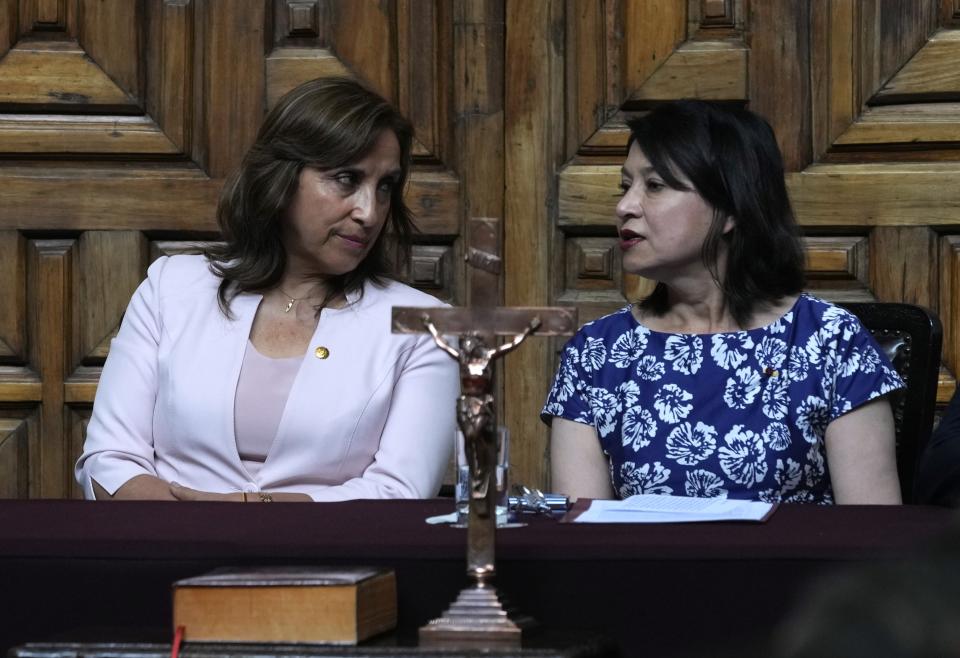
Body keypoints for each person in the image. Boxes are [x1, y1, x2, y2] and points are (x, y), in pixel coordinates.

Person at [75, 77, 459, 502]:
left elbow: (400, 491)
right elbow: (109, 459)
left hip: (333, 563)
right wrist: (189, 529)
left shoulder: (424, 326)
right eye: (346, 179)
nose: (370, 212)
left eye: (385, 187)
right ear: (282, 177)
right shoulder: (172, 287)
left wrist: (247, 511)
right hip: (164, 554)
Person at [542, 100, 903, 504]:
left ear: (731, 208)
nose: (624, 206)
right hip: (642, 568)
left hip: (799, 569)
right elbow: (583, 542)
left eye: (655, 186)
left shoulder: (831, 341)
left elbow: (873, 537)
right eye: (625, 187)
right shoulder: (597, 352)